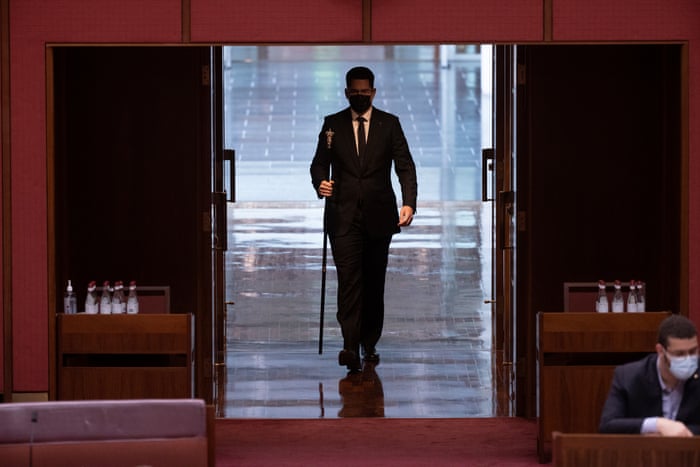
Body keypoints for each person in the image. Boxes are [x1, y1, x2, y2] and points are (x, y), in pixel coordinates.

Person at [310, 66, 418, 373]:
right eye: (354, 92)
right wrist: (321, 183)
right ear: (346, 93)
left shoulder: (389, 124)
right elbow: (319, 164)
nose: (359, 96)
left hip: (380, 216)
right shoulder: (333, 125)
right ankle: (349, 345)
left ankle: (369, 341)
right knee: (349, 281)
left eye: (364, 91)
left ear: (373, 91)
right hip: (342, 216)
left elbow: (405, 166)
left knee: (373, 281)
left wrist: (409, 202)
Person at [599, 314, 700, 436]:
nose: (688, 359)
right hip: (643, 454)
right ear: (660, 351)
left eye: (693, 351)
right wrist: (657, 424)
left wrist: (684, 432)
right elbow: (608, 425)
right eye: (679, 354)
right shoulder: (628, 376)